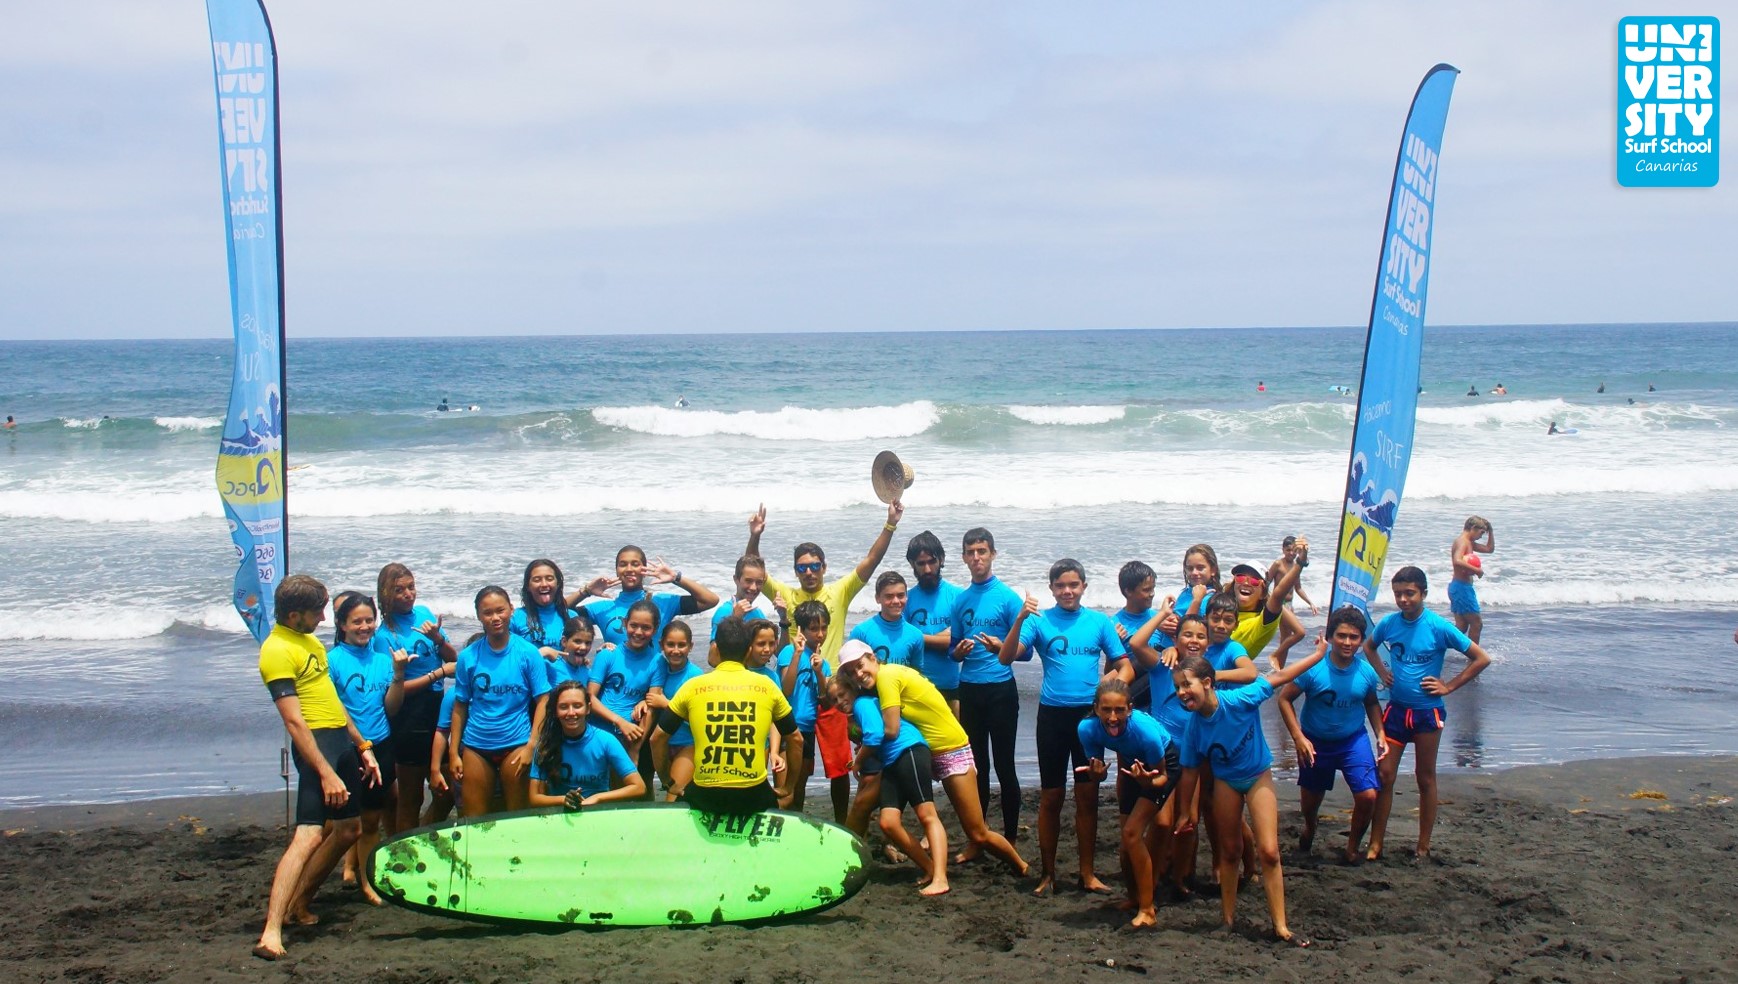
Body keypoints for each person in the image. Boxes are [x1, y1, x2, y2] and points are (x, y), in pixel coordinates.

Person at [253, 575, 382, 961]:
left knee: (348, 830)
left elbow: (331, 701)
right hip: (316, 750)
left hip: (341, 744)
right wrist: (325, 771)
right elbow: (294, 722)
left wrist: (362, 746)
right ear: (295, 614)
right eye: (317, 611)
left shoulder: (309, 642)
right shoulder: (276, 651)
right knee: (308, 836)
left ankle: (300, 903)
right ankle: (270, 932)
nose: (324, 618)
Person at [1170, 636, 1328, 945]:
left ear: (1207, 682)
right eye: (1177, 688)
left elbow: (1281, 676)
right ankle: (1227, 919)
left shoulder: (1241, 699)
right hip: (1227, 782)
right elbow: (1189, 772)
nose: (1181, 692)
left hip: (1257, 776)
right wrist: (1186, 812)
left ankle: (1280, 926)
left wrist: (1319, 654)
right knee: (1229, 851)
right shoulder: (1194, 727)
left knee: (1269, 852)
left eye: (1186, 685)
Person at [839, 644, 1028, 877]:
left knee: (977, 832)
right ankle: (844, 861)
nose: (858, 674)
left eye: (860, 666)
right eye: (850, 671)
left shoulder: (887, 677)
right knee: (866, 806)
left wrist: (862, 751)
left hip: (950, 751)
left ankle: (1021, 865)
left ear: (874, 658)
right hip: (922, 753)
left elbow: (890, 729)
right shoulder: (884, 679)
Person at [999, 559, 1129, 897]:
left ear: (1084, 586)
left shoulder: (1099, 622)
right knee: (1051, 797)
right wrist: (1019, 619)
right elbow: (1006, 657)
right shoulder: (1040, 622)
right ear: (1052, 589)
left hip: (1089, 720)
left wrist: (1106, 692)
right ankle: (1048, 874)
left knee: (1088, 797)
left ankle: (1087, 874)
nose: (1067, 591)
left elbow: (1125, 666)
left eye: (1073, 585)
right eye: (1060, 586)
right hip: (1053, 718)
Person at [1364, 566, 1493, 858]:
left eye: (1409, 594)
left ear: (1423, 593)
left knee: (1425, 777)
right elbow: (1369, 647)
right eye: (1398, 594)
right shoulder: (1389, 623)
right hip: (1396, 712)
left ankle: (1423, 845)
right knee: (1384, 775)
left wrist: (1449, 686)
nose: (1403, 600)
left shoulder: (1438, 626)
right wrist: (1382, 672)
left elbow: (1481, 658)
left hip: (1427, 714)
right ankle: (1376, 842)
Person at [656, 614, 801, 816]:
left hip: (706, 796)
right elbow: (796, 738)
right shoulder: (767, 686)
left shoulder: (693, 686)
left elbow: (658, 737)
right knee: (779, 801)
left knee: (677, 802)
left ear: (716, 648)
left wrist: (667, 781)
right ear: (749, 649)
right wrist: (788, 786)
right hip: (753, 796)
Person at [1275, 606, 1384, 861]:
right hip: (1315, 742)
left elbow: (1371, 703)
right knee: (1311, 804)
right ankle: (1311, 828)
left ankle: (1352, 847)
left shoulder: (1366, 672)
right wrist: (1298, 738)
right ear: (1330, 637)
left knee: (1368, 795)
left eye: (1354, 637)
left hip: (1352, 740)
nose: (1347, 642)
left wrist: (1379, 733)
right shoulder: (1313, 668)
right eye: (1342, 636)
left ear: (1361, 640)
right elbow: (1284, 699)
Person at [325, 592, 410, 906]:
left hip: (383, 745)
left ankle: (368, 881)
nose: (364, 627)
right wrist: (361, 746)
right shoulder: (331, 660)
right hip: (350, 749)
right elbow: (337, 710)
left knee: (372, 821)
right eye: (356, 621)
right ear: (342, 624)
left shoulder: (382, 659)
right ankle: (344, 875)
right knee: (344, 822)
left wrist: (399, 675)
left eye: (369, 620)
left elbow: (391, 708)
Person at [744, 499, 903, 664]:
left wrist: (890, 524)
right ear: (795, 572)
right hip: (797, 678)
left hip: (831, 678)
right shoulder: (784, 595)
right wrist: (755, 536)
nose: (808, 572)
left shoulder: (840, 592)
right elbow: (754, 569)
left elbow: (872, 560)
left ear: (824, 567)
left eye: (814, 566)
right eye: (802, 568)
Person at [1078, 678, 1179, 929]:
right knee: (1126, 845)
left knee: (1132, 833)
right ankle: (1134, 899)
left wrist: (1146, 781)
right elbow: (1096, 773)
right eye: (1106, 710)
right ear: (1096, 708)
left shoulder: (1145, 732)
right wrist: (1097, 774)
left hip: (1160, 768)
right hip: (1132, 767)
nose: (1113, 718)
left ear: (1130, 709)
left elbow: (1163, 776)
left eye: (1120, 711)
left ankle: (1148, 909)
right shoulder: (1087, 729)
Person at [948, 527, 1026, 845]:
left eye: (982, 551)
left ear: (993, 553)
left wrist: (1000, 646)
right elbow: (953, 649)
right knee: (976, 767)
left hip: (1001, 689)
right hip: (970, 689)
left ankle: (1007, 837)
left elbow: (1026, 651)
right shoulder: (961, 600)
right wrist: (959, 653)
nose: (977, 557)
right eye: (971, 552)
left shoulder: (1008, 598)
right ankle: (979, 838)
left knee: (1005, 766)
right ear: (964, 557)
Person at [449, 586, 551, 817]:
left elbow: (543, 700)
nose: (495, 618)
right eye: (487, 613)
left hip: (516, 743)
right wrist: (454, 752)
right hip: (476, 746)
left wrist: (531, 746)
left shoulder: (528, 653)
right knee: (474, 820)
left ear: (511, 610)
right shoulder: (468, 657)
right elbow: (460, 706)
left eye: (500, 610)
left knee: (516, 817)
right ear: (478, 616)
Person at [375, 562, 456, 832]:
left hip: (438, 710)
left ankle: (420, 837)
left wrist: (439, 640)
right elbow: (392, 689)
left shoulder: (423, 614)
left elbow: (453, 661)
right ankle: (403, 856)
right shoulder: (384, 635)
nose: (409, 594)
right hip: (409, 717)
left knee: (449, 789)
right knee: (412, 798)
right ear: (386, 594)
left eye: (411, 587)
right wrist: (437, 674)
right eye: (399, 590)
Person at [527, 682, 646, 809]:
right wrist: (565, 799)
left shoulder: (606, 740)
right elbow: (534, 798)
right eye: (563, 707)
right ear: (555, 711)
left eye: (577, 706)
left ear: (588, 708)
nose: (571, 713)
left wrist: (597, 798)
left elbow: (639, 787)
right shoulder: (545, 744)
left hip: (597, 813)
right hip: (561, 814)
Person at [579, 546, 718, 649]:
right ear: (616, 570)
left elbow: (710, 600)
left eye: (635, 564)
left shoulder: (662, 602)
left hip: (654, 681)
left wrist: (676, 577)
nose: (629, 569)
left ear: (645, 570)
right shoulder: (603, 609)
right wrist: (586, 591)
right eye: (623, 564)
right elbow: (560, 610)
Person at [587, 599, 664, 784]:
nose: (638, 632)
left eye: (646, 628)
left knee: (627, 793)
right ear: (624, 623)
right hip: (599, 732)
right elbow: (589, 698)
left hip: (631, 737)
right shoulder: (608, 655)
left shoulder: (658, 662)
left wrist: (635, 748)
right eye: (633, 625)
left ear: (655, 629)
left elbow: (654, 703)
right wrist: (620, 722)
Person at [775, 601, 835, 813]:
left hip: (808, 730)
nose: (820, 634)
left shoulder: (823, 663)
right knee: (784, 789)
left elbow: (824, 698)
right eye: (814, 628)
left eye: (824, 627)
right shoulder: (789, 653)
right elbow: (786, 690)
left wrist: (819, 672)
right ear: (800, 629)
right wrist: (797, 656)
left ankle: (795, 826)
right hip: (787, 727)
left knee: (799, 788)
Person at [903, 530, 962, 717]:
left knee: (955, 746)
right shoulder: (905, 600)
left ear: (942, 560)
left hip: (950, 688)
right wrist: (942, 638)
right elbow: (903, 641)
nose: (927, 569)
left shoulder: (958, 596)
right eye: (921, 563)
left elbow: (955, 641)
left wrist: (918, 637)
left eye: (932, 561)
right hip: (916, 688)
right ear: (912, 564)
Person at [646, 620, 706, 800]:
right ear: (661, 645)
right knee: (650, 793)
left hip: (687, 744)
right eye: (670, 645)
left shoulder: (695, 677)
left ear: (691, 646)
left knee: (672, 799)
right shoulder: (659, 668)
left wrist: (667, 704)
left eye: (682, 645)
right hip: (661, 745)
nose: (676, 650)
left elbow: (701, 720)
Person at [1230, 553, 1308, 667]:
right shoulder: (1224, 609)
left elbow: (1278, 595)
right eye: (1240, 577)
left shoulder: (1261, 622)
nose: (1246, 583)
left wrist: (1300, 564)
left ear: (1263, 593)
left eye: (1254, 581)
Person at [707, 554, 774, 664]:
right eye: (748, 581)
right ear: (736, 579)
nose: (753, 587)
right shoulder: (725, 611)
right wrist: (735, 619)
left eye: (759, 582)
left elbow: (777, 653)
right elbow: (713, 660)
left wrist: (784, 619)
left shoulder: (758, 613)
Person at [511, 559, 576, 659]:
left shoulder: (572, 617)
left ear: (558, 584)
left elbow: (579, 654)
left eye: (549, 579)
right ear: (528, 586)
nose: (544, 584)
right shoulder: (516, 618)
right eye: (537, 580)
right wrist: (541, 653)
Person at [1449, 516, 1495, 644]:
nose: (1481, 536)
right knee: (1477, 624)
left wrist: (1491, 530)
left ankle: (1434, 645)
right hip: (1461, 588)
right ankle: (1474, 657)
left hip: (1460, 587)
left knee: (1461, 627)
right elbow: (1457, 560)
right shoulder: (1462, 542)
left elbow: (1489, 549)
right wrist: (1477, 570)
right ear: (1473, 528)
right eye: (1481, 533)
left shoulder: (1470, 543)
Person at [1264, 535, 1318, 617]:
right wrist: (1268, 600)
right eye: (1288, 550)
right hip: (1278, 603)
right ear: (1283, 550)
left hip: (1289, 604)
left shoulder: (1296, 567)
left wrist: (1310, 603)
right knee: (1294, 629)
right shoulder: (1278, 564)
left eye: (1294, 550)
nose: (1291, 553)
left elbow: (1298, 588)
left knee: (1287, 630)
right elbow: (1266, 583)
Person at [547, 610, 598, 688]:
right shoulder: (550, 668)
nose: (583, 647)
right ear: (564, 641)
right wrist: (541, 652)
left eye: (588, 643)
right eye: (577, 641)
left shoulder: (587, 672)